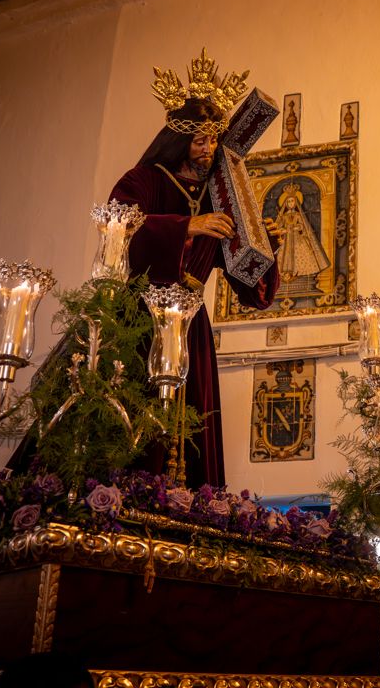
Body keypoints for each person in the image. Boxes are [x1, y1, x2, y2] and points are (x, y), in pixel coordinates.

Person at [110, 50, 280, 488]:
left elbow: (246, 281)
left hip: (192, 322)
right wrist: (188, 225)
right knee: (134, 415)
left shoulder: (218, 195)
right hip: (141, 316)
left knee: (193, 429)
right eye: (200, 141)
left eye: (213, 141)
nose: (208, 151)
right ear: (176, 139)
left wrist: (262, 246)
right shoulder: (143, 181)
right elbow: (119, 230)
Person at [271, 180, 330, 283]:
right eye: (288, 201)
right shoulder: (284, 216)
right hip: (286, 240)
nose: (290, 203)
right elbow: (278, 228)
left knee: (299, 253)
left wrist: (296, 227)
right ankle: (285, 273)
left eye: (292, 201)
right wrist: (283, 230)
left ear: (296, 202)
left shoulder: (298, 215)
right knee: (283, 255)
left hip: (296, 238)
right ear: (285, 203)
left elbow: (302, 226)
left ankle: (297, 272)